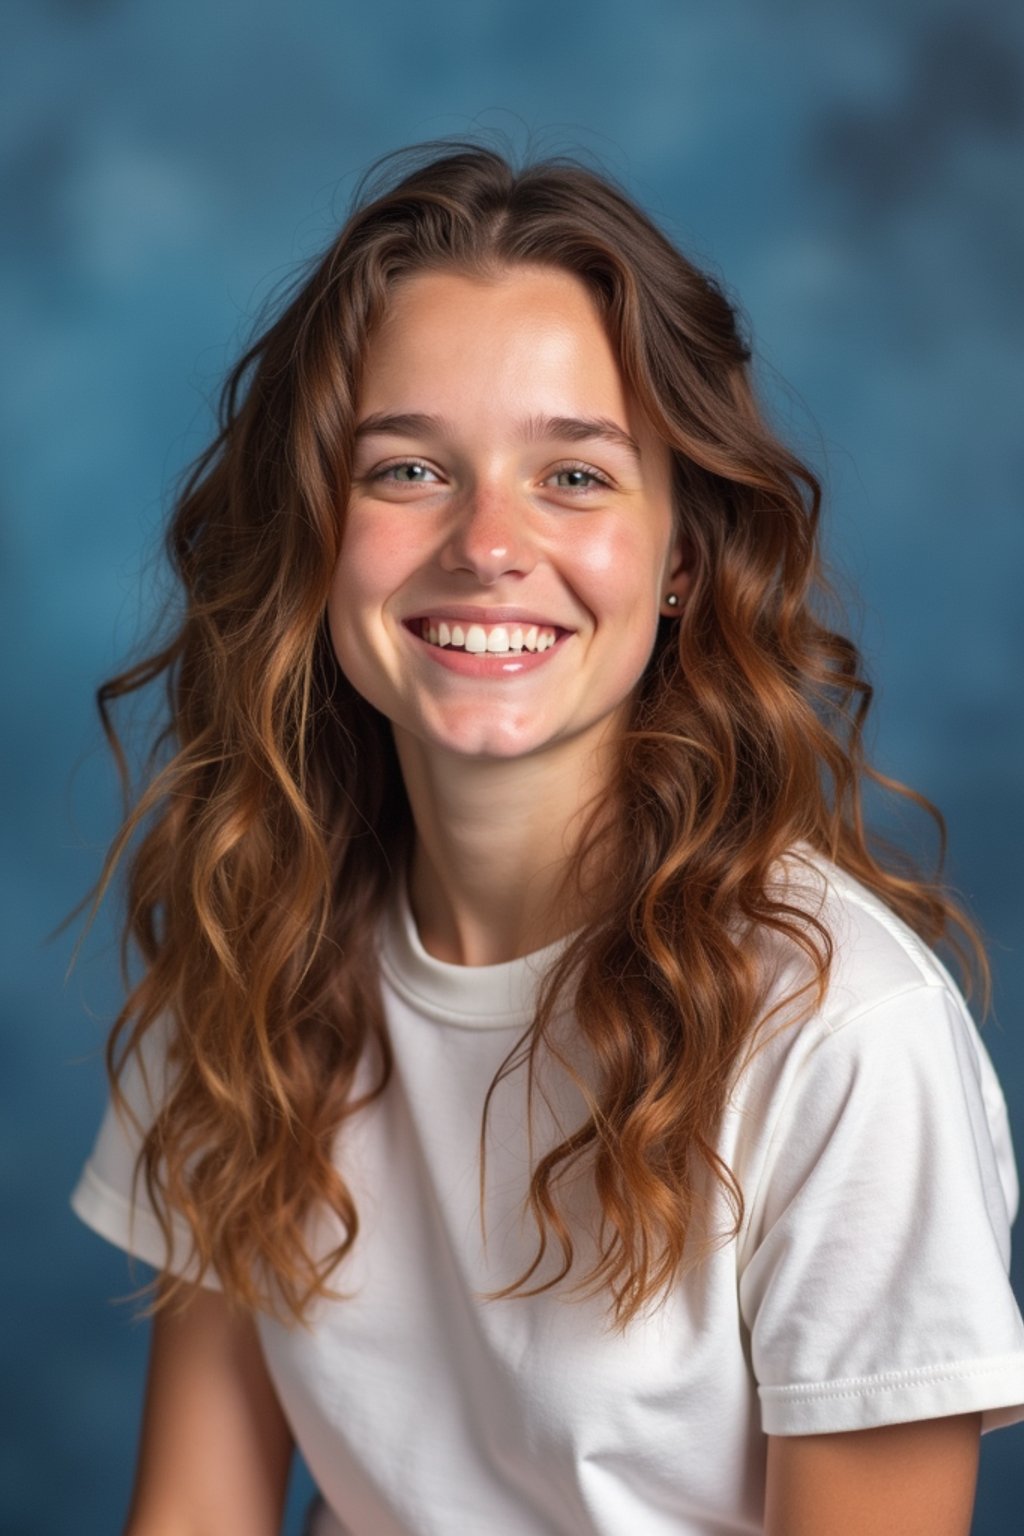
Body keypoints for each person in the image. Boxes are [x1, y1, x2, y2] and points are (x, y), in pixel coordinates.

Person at [70, 140, 1024, 1536]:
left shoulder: (844, 1039)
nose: (486, 544)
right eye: (406, 470)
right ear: (316, 537)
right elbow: (193, 1517)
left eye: (574, 478)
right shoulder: (249, 944)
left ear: (682, 559)